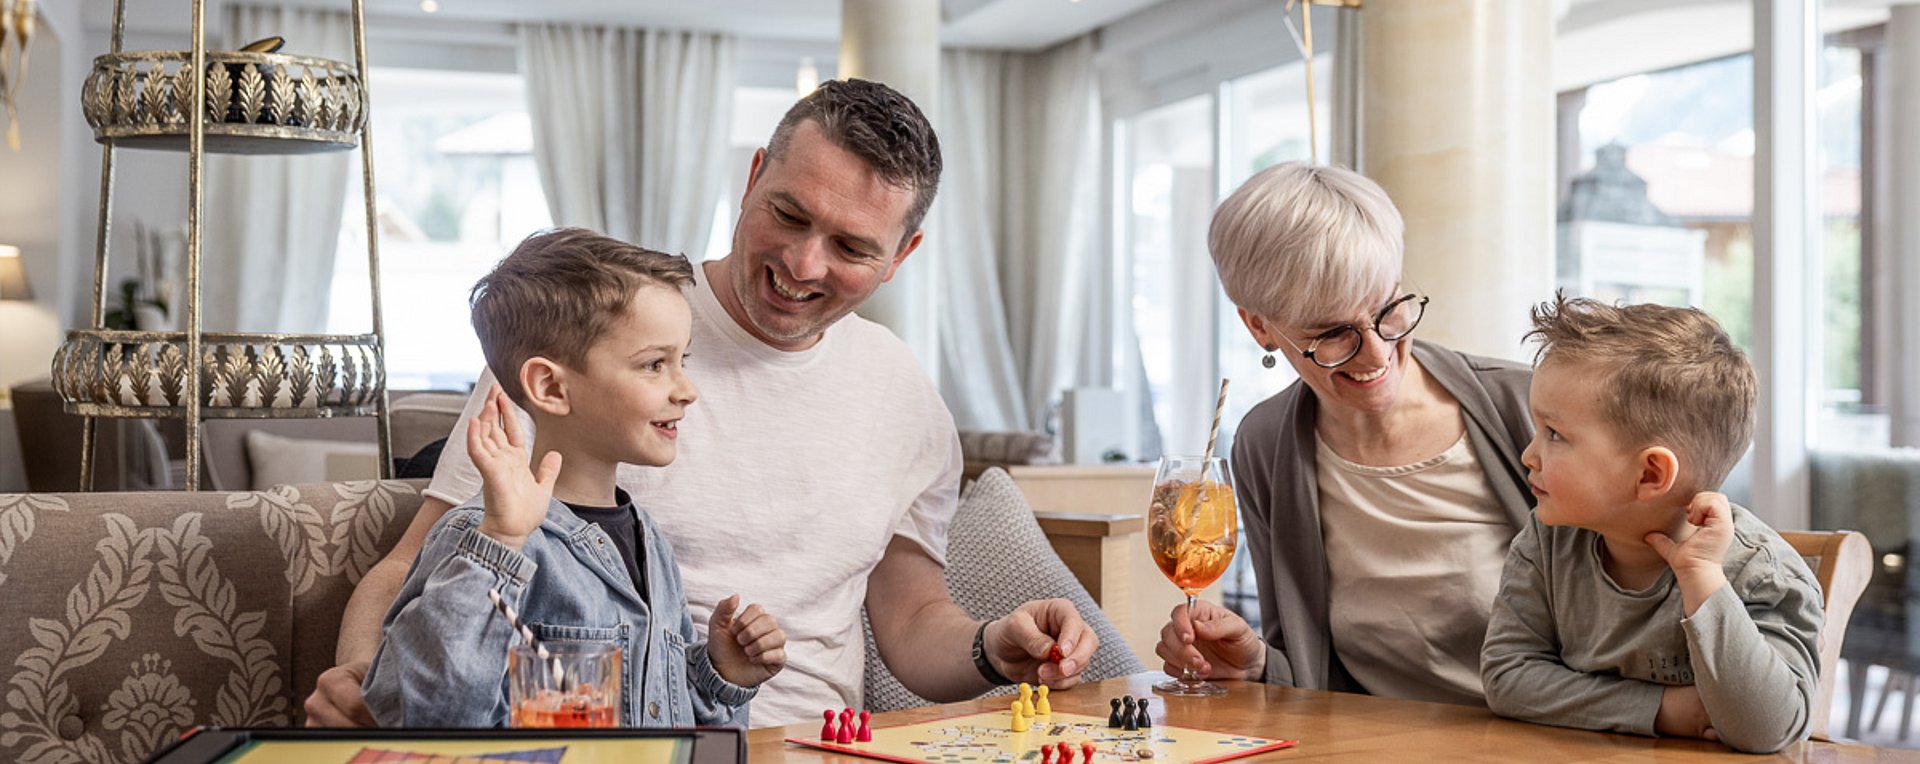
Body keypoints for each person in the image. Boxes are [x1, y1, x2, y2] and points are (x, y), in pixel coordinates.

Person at [310, 79, 1098, 728]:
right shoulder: (592, 335)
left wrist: (996, 647)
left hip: (810, 743)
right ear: (753, 174)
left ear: (902, 256)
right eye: (788, 214)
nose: (801, 262)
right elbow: (422, 560)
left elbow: (912, 620)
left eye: (852, 247)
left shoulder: (903, 393)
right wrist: (360, 683)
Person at [362, 230, 788, 727]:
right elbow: (428, 715)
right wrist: (500, 541)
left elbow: (660, 716)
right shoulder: (485, 537)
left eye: (682, 361)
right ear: (550, 387)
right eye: (654, 364)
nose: (687, 390)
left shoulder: (649, 540)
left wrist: (722, 674)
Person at [1155, 162, 1535, 704]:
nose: (1379, 354)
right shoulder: (1265, 444)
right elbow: (1310, 670)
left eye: (1388, 309)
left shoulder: (1525, 407)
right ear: (1259, 326)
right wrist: (1258, 661)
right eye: (1332, 333)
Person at [1480, 295, 1822, 754]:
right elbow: (1508, 677)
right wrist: (1663, 710)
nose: (1528, 454)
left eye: (1555, 434)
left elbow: (1768, 727)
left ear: (1650, 475)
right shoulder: (1548, 542)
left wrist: (1702, 579)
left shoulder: (1762, 574)